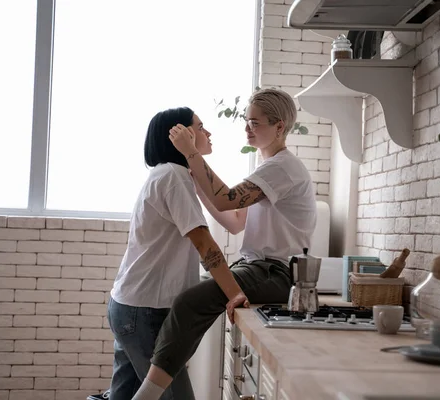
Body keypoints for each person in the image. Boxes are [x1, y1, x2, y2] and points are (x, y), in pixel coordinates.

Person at [131, 88, 317, 400]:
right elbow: (234, 221)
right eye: (247, 121)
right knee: (193, 296)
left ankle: (145, 397)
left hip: (274, 273)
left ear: (279, 127)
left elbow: (227, 199)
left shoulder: (282, 167)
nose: (247, 128)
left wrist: (192, 154)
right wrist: (195, 175)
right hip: (258, 268)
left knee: (189, 302)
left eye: (255, 123)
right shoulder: (268, 167)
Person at [107, 107, 248, 400]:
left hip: (130, 305)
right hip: (145, 312)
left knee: (126, 394)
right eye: (200, 126)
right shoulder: (174, 176)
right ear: (180, 134)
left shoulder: (167, 175)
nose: (207, 132)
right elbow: (203, 242)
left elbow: (221, 224)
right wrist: (235, 293)